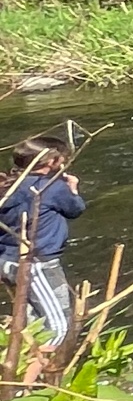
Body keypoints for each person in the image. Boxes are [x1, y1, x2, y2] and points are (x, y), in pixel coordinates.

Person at [1, 135, 84, 349]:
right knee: (59, 329)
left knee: (31, 322)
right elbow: (75, 210)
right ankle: (33, 380)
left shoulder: (7, 187)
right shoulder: (50, 187)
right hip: (37, 264)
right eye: (62, 160)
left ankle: (21, 369)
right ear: (51, 162)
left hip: (7, 261)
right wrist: (73, 188)